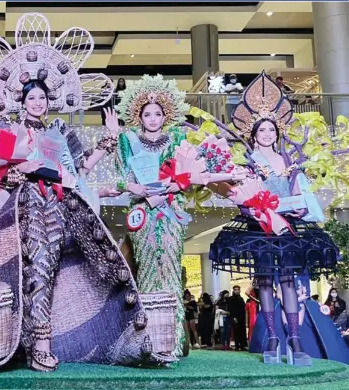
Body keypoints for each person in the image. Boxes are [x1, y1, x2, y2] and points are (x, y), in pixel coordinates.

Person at [0, 12, 174, 374]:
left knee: (91, 266)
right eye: (32, 98)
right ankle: (39, 344)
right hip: (27, 206)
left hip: (64, 204)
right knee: (40, 265)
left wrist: (108, 140)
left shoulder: (59, 133)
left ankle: (85, 336)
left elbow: (78, 170)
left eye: (42, 99)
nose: (37, 103)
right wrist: (19, 171)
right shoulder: (7, 129)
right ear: (22, 101)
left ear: (49, 104)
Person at [101, 75, 244, 357]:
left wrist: (170, 186)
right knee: (146, 270)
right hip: (142, 212)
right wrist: (134, 186)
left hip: (169, 210)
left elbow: (190, 175)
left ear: (166, 115)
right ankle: (147, 338)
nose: (153, 118)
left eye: (158, 113)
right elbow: (119, 179)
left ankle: (174, 338)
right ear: (138, 116)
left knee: (168, 267)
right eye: (147, 114)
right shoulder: (128, 140)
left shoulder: (178, 137)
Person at [209, 72, 342, 366]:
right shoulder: (248, 162)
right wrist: (252, 208)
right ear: (253, 134)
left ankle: (294, 339)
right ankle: (272, 337)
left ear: (277, 132)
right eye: (261, 130)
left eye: (271, 129)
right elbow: (242, 194)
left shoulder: (288, 161)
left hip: (287, 227)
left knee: (289, 282)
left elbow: (297, 191)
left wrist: (299, 208)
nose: (267, 134)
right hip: (260, 228)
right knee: (266, 282)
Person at [228, 285, 247, 351]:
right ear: (233, 290)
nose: (236, 291)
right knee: (236, 331)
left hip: (242, 317)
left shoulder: (241, 299)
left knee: (242, 331)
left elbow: (243, 308)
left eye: (238, 289)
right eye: (235, 289)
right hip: (235, 317)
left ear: (240, 290)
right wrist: (233, 317)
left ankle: (242, 346)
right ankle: (237, 346)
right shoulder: (230, 299)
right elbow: (230, 309)